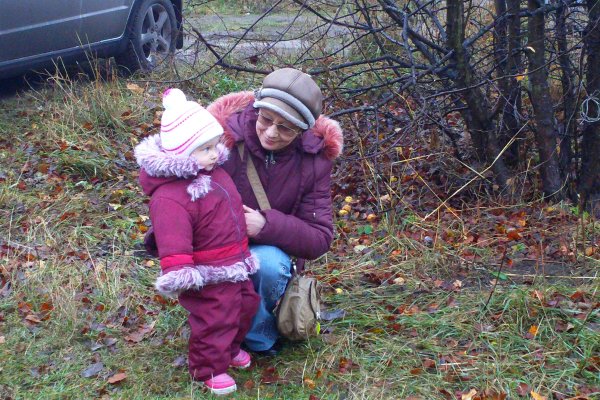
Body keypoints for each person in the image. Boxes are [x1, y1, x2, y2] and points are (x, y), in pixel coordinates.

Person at [206, 68, 344, 355]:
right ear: (256, 109)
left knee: (267, 265)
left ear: (302, 130)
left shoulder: (314, 160)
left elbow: (319, 237)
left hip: (265, 252)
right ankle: (214, 324)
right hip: (215, 245)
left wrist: (265, 226)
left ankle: (256, 336)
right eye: (266, 119)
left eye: (285, 128)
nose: (271, 132)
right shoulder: (219, 139)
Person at [134, 88, 260, 396]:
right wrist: (180, 270)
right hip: (207, 269)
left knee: (246, 305)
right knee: (215, 318)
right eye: (204, 149)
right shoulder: (170, 195)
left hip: (235, 260)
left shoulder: (214, 173)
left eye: (215, 145)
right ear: (181, 152)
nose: (214, 153)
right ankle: (208, 368)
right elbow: (172, 236)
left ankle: (229, 349)